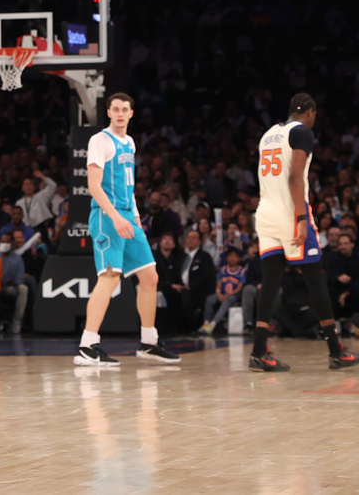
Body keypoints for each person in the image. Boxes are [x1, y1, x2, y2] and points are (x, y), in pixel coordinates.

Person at [250, 93, 359, 372]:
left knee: (271, 282)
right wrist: (301, 218)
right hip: (289, 213)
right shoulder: (303, 133)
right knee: (316, 281)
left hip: (265, 213)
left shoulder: (267, 135)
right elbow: (294, 177)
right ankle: (336, 351)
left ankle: (258, 352)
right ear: (310, 112)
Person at [76, 93, 180, 366]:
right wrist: (116, 217)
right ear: (109, 112)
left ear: (131, 113)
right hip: (105, 215)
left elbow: (128, 186)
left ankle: (148, 342)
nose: (120, 113)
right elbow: (94, 185)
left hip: (127, 216)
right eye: (116, 109)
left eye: (125, 109)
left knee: (150, 276)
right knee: (109, 278)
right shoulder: (100, 140)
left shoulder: (130, 142)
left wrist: (134, 219)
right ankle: (87, 346)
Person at [199, 246, 247, 335]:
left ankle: (213, 324)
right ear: (226, 258)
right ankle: (206, 322)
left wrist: (227, 295)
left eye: (235, 256)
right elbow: (219, 283)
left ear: (239, 259)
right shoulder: (223, 270)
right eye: (230, 256)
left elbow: (239, 287)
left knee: (227, 301)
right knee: (210, 299)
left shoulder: (242, 271)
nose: (232, 258)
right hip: (222, 293)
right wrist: (219, 293)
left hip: (234, 295)